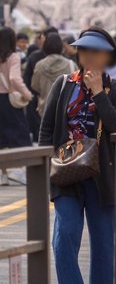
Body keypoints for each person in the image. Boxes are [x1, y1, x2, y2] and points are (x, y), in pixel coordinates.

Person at [39, 28, 116, 284]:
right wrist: (44, 168)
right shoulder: (63, 84)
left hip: (102, 173)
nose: (90, 57)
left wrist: (98, 93)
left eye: (97, 52)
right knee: (64, 232)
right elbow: (47, 129)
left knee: (103, 236)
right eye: (85, 51)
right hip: (66, 170)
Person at [0, 25, 31, 180]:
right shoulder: (13, 57)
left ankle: (4, 174)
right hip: (9, 101)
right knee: (19, 135)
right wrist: (27, 94)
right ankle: (18, 171)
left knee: (2, 137)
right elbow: (14, 78)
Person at [31, 33, 75, 115]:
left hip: (46, 107)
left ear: (45, 46)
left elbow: (35, 86)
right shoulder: (70, 64)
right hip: (66, 107)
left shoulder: (39, 65)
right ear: (61, 47)